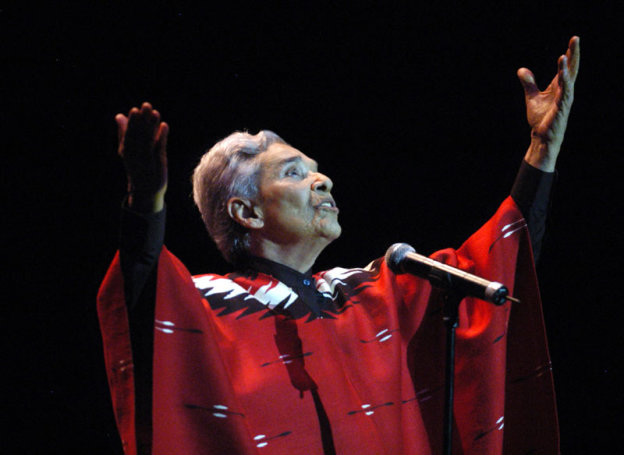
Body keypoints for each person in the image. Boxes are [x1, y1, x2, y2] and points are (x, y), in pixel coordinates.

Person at [98, 37, 580, 455]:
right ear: (248, 212)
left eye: (315, 169)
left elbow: (498, 265)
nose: (322, 180)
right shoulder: (209, 307)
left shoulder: (372, 296)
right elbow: (142, 299)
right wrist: (145, 200)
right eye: (294, 173)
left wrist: (543, 149)